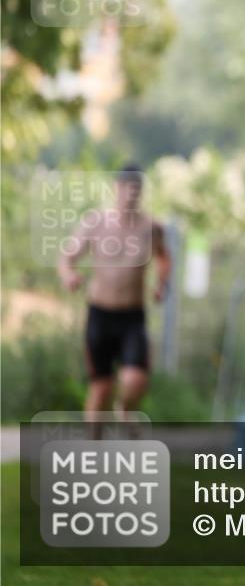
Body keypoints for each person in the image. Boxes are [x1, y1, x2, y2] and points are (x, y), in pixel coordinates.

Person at [58, 163, 171, 425]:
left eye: (137, 189)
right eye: (127, 188)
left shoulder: (152, 228)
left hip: (132, 316)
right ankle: (94, 445)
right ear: (116, 188)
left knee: (136, 380)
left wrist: (161, 283)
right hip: (100, 314)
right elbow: (67, 257)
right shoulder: (95, 222)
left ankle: (124, 408)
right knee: (101, 388)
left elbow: (165, 258)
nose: (131, 195)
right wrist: (68, 276)